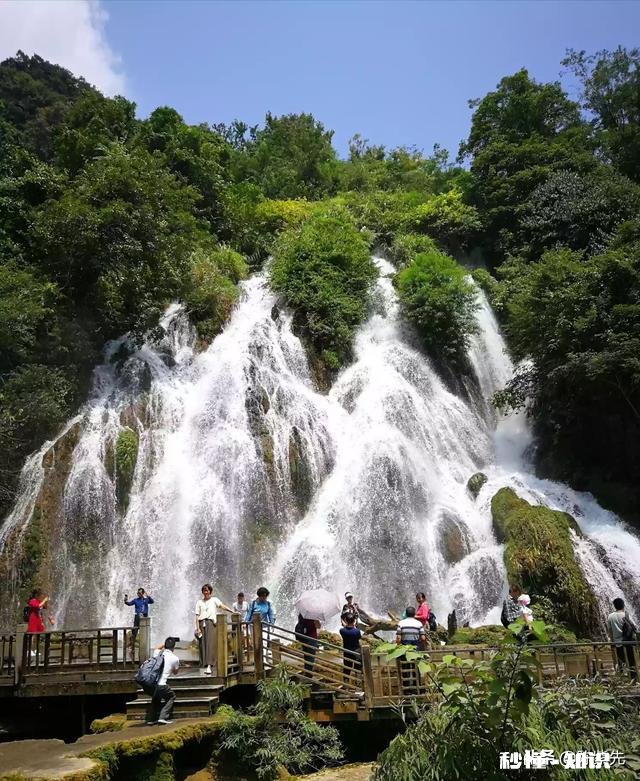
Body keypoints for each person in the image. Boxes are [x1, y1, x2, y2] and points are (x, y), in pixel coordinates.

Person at [195, 584, 233, 676]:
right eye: (204, 590)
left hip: (211, 623)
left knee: (210, 644)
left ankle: (209, 665)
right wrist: (197, 628)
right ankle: (204, 664)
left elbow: (222, 606)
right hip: (201, 623)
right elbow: (196, 616)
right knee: (202, 644)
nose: (205, 592)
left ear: (210, 591)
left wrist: (232, 611)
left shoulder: (214, 600)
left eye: (207, 590)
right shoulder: (199, 602)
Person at [147, 637, 180, 725]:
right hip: (162, 684)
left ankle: (151, 719)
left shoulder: (158, 653)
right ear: (174, 647)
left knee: (156, 698)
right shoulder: (175, 658)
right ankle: (163, 717)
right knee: (171, 697)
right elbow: (176, 672)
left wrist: (164, 644)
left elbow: (157, 647)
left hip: (153, 683)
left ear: (164, 646)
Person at [607, 597, 638, 681]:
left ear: (614, 606)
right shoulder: (626, 615)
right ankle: (634, 680)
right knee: (631, 662)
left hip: (617, 643)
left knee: (620, 662)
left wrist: (612, 643)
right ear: (623, 605)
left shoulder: (610, 617)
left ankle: (621, 680)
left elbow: (610, 632)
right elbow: (634, 628)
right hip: (628, 643)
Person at [124, 588, 154, 656]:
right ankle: (132, 647)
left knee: (144, 633)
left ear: (143, 593)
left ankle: (144, 648)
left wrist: (148, 595)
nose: (138, 594)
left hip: (144, 618)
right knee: (134, 632)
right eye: (138, 593)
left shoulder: (146, 600)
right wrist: (125, 600)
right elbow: (128, 603)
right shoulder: (136, 600)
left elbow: (152, 601)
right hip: (137, 618)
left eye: (140, 593)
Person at [339, 614, 362, 685]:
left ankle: (346, 687)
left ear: (346, 620)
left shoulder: (342, 631)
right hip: (356, 652)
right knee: (357, 669)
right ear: (354, 621)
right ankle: (358, 686)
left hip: (347, 653)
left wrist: (344, 623)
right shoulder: (357, 631)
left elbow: (344, 628)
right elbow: (359, 637)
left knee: (347, 669)